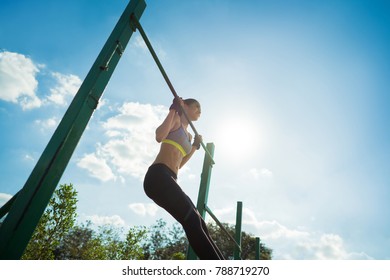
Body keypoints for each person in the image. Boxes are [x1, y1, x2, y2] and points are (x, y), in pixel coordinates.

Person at [143, 97, 224, 260]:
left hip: (170, 178)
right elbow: (159, 136)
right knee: (192, 220)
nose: (200, 111)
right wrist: (173, 109)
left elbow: (180, 164)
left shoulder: (187, 135)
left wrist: (194, 146)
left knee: (199, 223)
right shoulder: (176, 121)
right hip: (158, 175)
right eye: (197, 107)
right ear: (185, 106)